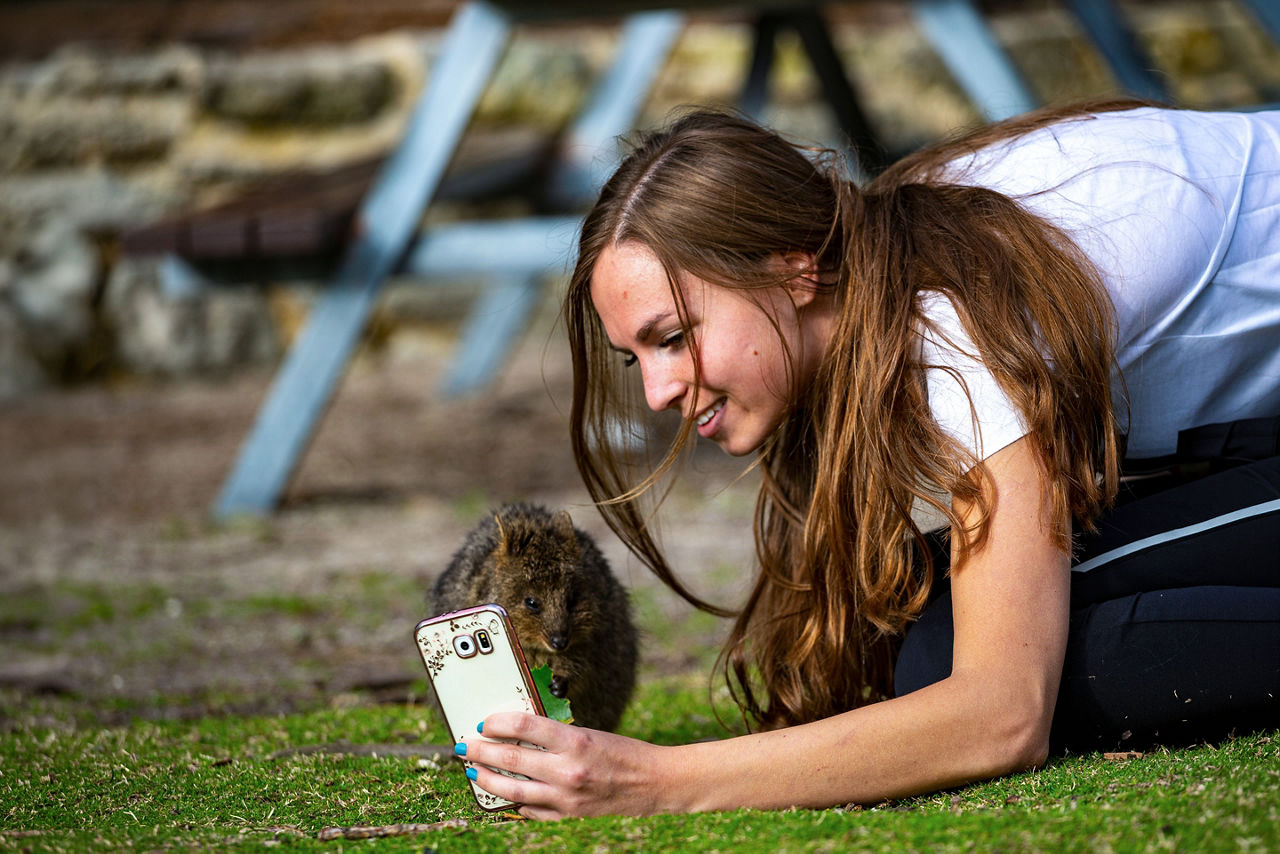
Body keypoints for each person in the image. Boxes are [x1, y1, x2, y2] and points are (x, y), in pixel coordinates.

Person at [455, 100, 1280, 818]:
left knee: (1016, 670)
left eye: (674, 338)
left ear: (794, 270)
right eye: (639, 358)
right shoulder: (894, 253)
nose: (660, 391)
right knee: (931, 638)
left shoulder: (961, 319)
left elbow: (1000, 717)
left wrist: (655, 779)